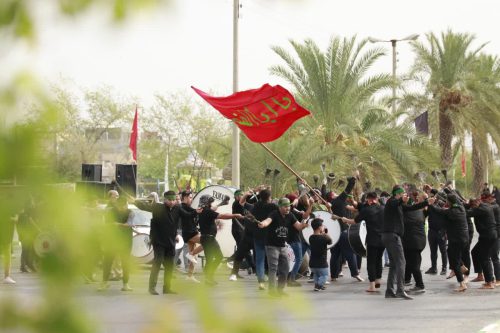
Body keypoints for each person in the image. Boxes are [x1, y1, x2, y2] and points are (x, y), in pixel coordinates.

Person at [381, 185, 429, 300]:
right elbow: (394, 203)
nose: (405, 196)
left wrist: (427, 203)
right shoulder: (391, 202)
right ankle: (400, 290)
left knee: (393, 264)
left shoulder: (399, 204)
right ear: (398, 193)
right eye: (403, 194)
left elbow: (411, 208)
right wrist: (400, 200)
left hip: (389, 236)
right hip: (392, 236)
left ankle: (389, 291)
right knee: (401, 263)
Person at [257, 197, 308, 297]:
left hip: (283, 245)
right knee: (273, 268)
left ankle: (280, 290)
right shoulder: (274, 214)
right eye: (285, 206)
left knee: (285, 268)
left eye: (288, 206)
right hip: (271, 246)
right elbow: (268, 221)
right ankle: (272, 292)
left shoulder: (290, 215)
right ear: (280, 207)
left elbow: (298, 227)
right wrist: (263, 224)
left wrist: (304, 224)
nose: (287, 208)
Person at [135, 190, 181, 295]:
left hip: (170, 241)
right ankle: (151, 288)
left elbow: (178, 223)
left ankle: (167, 288)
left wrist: (176, 235)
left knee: (169, 266)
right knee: (157, 263)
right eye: (170, 200)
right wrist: (135, 201)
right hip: (159, 241)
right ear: (165, 199)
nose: (172, 202)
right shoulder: (158, 207)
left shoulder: (176, 209)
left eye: (174, 200)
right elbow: (142, 206)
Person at [342, 191, 385, 292]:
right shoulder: (383, 208)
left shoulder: (367, 210)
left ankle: (372, 286)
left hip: (372, 239)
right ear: (376, 198)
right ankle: (378, 279)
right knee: (379, 260)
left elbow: (354, 221)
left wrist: (345, 219)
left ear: (369, 199)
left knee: (371, 262)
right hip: (383, 239)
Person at [197, 194, 243, 286]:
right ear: (207, 203)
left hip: (206, 238)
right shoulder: (207, 212)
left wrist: (222, 203)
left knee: (211, 259)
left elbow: (214, 209)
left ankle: (208, 277)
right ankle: (208, 275)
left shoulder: (203, 211)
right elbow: (222, 215)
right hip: (209, 238)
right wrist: (235, 215)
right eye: (210, 202)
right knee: (217, 257)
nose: (211, 204)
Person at [428, 194, 469, 292]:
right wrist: (439, 200)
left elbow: (439, 211)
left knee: (455, 262)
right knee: (449, 251)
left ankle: (462, 283)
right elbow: (448, 204)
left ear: (449, 202)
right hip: (464, 238)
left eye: (447, 201)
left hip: (456, 239)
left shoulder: (451, 212)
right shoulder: (461, 208)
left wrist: (431, 204)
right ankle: (462, 266)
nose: (445, 202)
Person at [99, 193, 133, 292]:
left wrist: (116, 224)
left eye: (125, 206)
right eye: (121, 206)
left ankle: (125, 284)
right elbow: (106, 224)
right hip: (112, 241)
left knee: (125, 263)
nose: (123, 208)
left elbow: (129, 224)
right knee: (107, 262)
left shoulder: (131, 212)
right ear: (117, 205)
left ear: (127, 204)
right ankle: (104, 283)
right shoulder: (110, 211)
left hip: (126, 241)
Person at [250, 188, 278, 290]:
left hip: (257, 235)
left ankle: (261, 281)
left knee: (260, 259)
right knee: (272, 260)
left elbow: (251, 218)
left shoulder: (255, 206)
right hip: (269, 236)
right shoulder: (273, 206)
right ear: (269, 197)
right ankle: (272, 280)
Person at [467, 196, 498, 289]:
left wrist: (458, 206)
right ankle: (480, 275)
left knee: (485, 258)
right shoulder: (484, 206)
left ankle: (490, 282)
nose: (472, 207)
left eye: (472, 206)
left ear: (477, 203)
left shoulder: (481, 209)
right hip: (486, 236)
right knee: (475, 252)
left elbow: (466, 213)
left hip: (488, 236)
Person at [402, 191, 428, 293]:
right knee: (410, 261)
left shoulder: (407, 214)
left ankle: (420, 285)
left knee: (414, 265)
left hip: (413, 242)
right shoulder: (419, 212)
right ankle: (407, 279)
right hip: (420, 241)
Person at [288, 194, 314, 286]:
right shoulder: (294, 210)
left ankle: (289, 276)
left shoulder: (287, 210)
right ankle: (291, 278)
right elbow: (305, 216)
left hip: (292, 237)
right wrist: (310, 205)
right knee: (298, 259)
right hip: (296, 237)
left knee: (295, 258)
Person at [178, 190, 203, 283]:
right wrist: (196, 212)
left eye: (192, 197)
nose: (191, 199)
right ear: (184, 197)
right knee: (207, 242)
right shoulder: (181, 207)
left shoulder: (188, 207)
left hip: (192, 232)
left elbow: (194, 213)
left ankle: (189, 276)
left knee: (194, 257)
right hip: (189, 233)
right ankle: (191, 254)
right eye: (190, 197)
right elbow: (187, 215)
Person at [425, 189, 448, 275]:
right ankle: (433, 268)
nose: (433, 197)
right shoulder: (430, 205)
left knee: (443, 251)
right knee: (433, 251)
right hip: (432, 231)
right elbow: (425, 214)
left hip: (441, 231)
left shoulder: (442, 204)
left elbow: (441, 211)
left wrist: (431, 205)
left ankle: (444, 268)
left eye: (434, 196)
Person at [308, 218, 332, 291]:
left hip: (312, 263)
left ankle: (317, 285)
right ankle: (319, 285)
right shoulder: (324, 238)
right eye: (322, 226)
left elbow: (318, 238)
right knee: (324, 275)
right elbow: (330, 241)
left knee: (316, 274)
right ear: (319, 227)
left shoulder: (311, 237)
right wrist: (326, 234)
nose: (323, 227)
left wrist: (322, 233)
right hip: (321, 262)